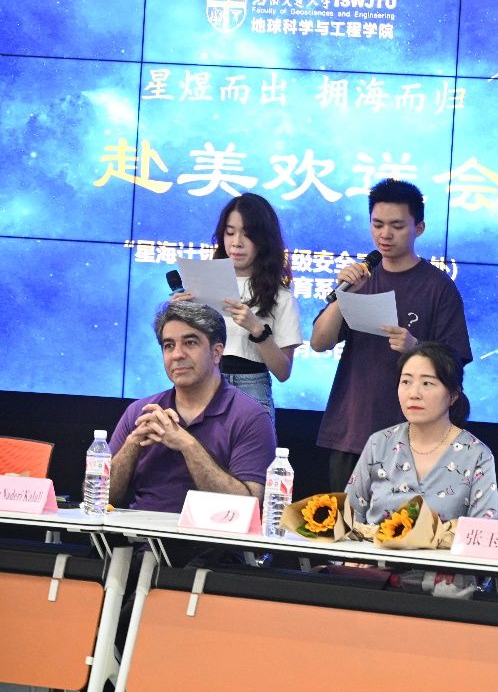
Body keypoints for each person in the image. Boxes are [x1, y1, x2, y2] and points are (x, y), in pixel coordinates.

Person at [312, 178, 472, 491]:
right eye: (378, 224)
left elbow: (456, 362)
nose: (385, 234)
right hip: (352, 429)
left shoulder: (438, 287)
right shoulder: (361, 278)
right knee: (345, 519)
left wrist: (416, 348)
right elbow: (319, 342)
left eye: (397, 226)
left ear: (419, 228)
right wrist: (343, 297)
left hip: (412, 436)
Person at [108, 301, 276, 512]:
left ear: (216, 353)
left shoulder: (251, 416)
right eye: (169, 345)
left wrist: (187, 445)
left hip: (211, 533)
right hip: (139, 532)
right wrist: (132, 444)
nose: (177, 355)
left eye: (190, 343)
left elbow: (248, 507)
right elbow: (100, 496)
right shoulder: (141, 411)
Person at [174, 192, 301, 422]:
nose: (236, 243)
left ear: (264, 239)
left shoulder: (280, 296)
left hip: (252, 387)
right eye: (230, 232)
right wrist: (178, 316)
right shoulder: (201, 284)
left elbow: (283, 372)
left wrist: (257, 330)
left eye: (248, 234)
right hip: (203, 384)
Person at [345, 341, 498, 524]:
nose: (414, 393)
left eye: (427, 383)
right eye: (406, 382)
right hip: (374, 543)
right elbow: (349, 517)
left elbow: (484, 529)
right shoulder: (379, 443)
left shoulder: (476, 455)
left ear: (453, 395)